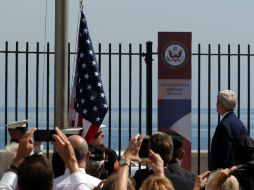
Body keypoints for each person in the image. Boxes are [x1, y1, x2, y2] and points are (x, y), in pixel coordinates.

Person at [0, 127, 99, 190]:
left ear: (18, 186)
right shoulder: (98, 184)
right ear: (51, 186)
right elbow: (81, 187)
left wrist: (18, 159)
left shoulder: (59, 184)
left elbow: (4, 187)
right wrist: (71, 160)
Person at [210, 90, 248, 170]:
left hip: (226, 176)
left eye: (217, 102)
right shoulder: (240, 124)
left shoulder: (223, 125)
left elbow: (222, 155)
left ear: (221, 105)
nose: (216, 104)